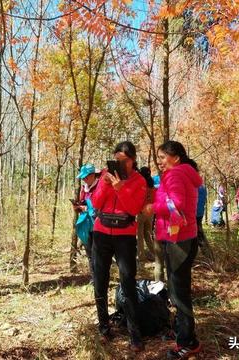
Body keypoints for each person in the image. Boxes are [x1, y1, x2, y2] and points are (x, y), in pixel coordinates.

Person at [145, 140, 202, 359]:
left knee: (179, 294)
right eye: (158, 158)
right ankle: (180, 331)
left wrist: (153, 207)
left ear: (176, 157)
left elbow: (176, 204)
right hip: (180, 237)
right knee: (177, 289)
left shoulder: (177, 174)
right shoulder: (184, 173)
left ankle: (189, 342)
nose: (159, 162)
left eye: (162, 157)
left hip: (179, 241)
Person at [91, 141, 147, 352]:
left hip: (124, 235)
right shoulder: (106, 174)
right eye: (117, 160)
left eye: (124, 160)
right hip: (101, 233)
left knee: (128, 281)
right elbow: (96, 204)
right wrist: (105, 184)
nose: (120, 164)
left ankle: (135, 334)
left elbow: (134, 208)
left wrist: (120, 189)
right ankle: (104, 327)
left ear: (132, 160)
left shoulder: (139, 180)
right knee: (100, 280)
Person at [74, 163, 101, 275]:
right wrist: (78, 207)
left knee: (98, 255)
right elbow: (82, 202)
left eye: (86, 177)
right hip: (86, 226)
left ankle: (100, 279)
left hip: (98, 226)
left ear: (92, 175)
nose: (84, 179)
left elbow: (100, 207)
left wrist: (88, 208)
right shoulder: (83, 188)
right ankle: (93, 278)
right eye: (83, 177)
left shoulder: (100, 187)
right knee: (90, 254)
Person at [137, 166, 155, 263]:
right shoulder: (152, 184)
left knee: (139, 236)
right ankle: (156, 254)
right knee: (148, 234)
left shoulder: (141, 184)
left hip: (141, 212)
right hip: (150, 213)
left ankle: (141, 256)